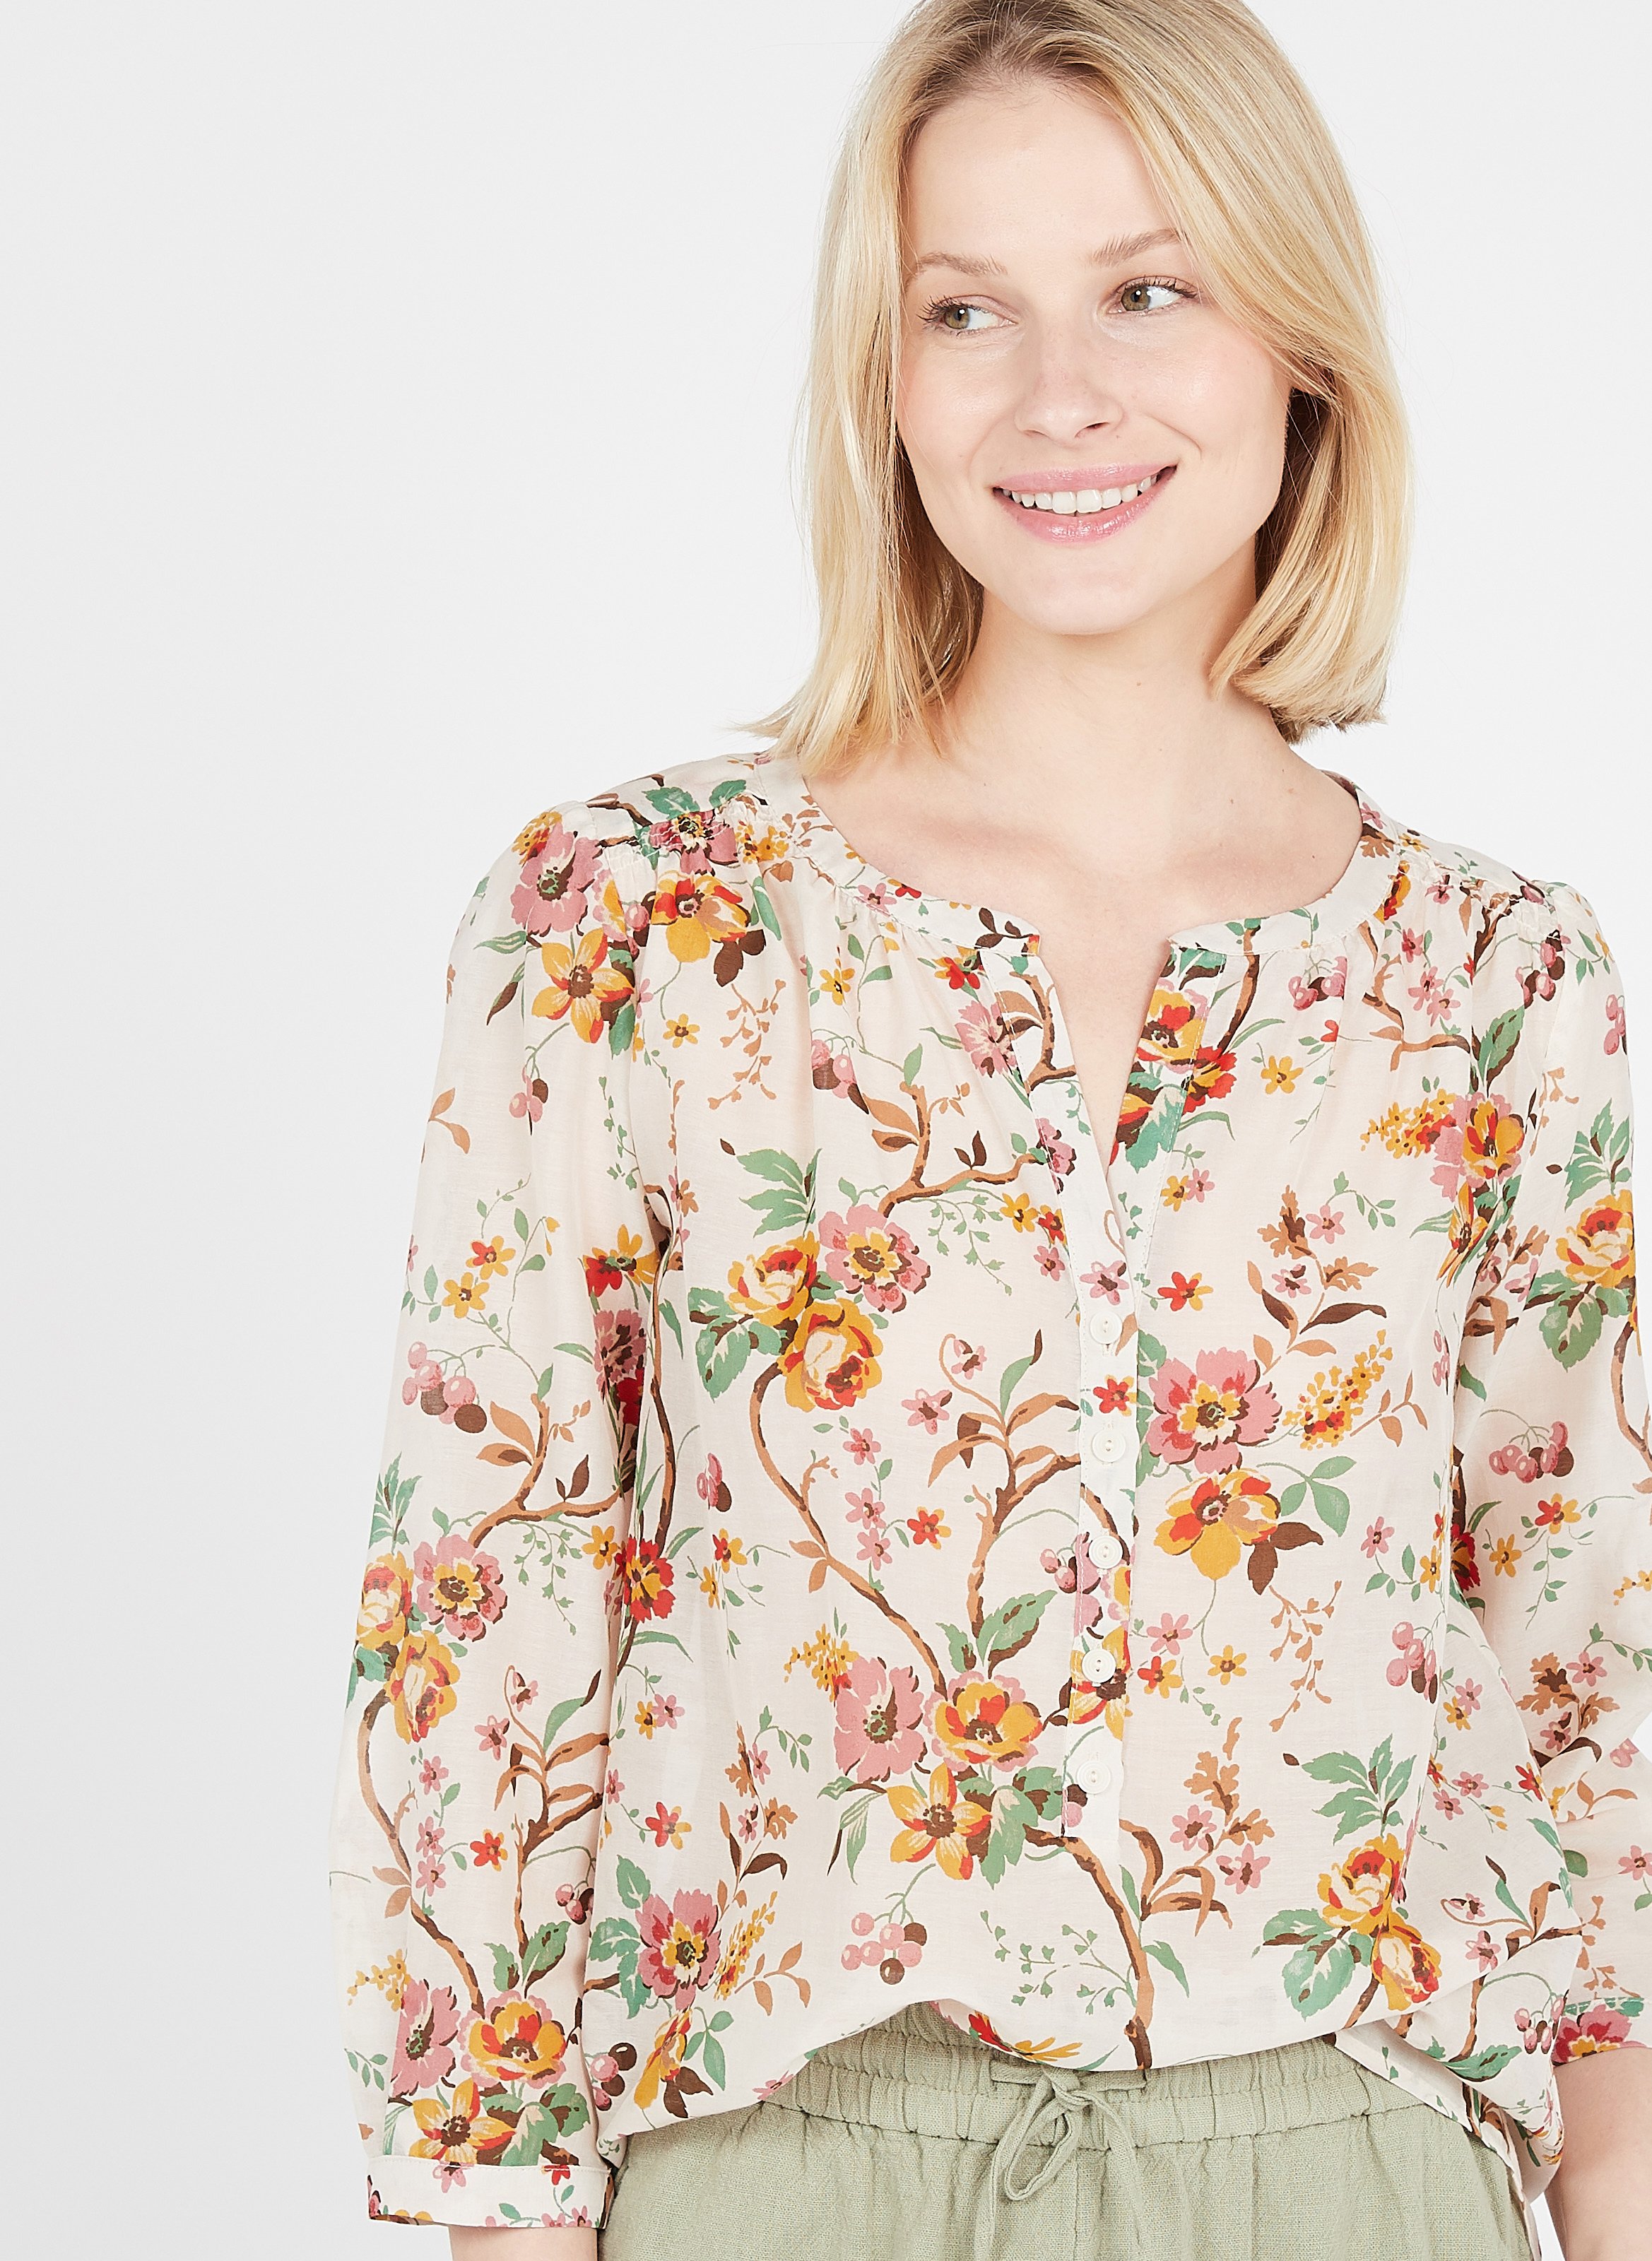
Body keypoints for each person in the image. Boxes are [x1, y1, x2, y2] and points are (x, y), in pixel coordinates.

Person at [326, 3, 1652, 2256]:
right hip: (785, 2159)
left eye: (1148, 290)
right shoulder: (636, 923)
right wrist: (498, 2211)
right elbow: (488, 1614)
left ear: (1297, 351)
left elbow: (1586, 1653)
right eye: (967, 310)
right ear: (887, 377)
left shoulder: (1489, 977)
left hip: (1349, 2160)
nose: (1059, 395)